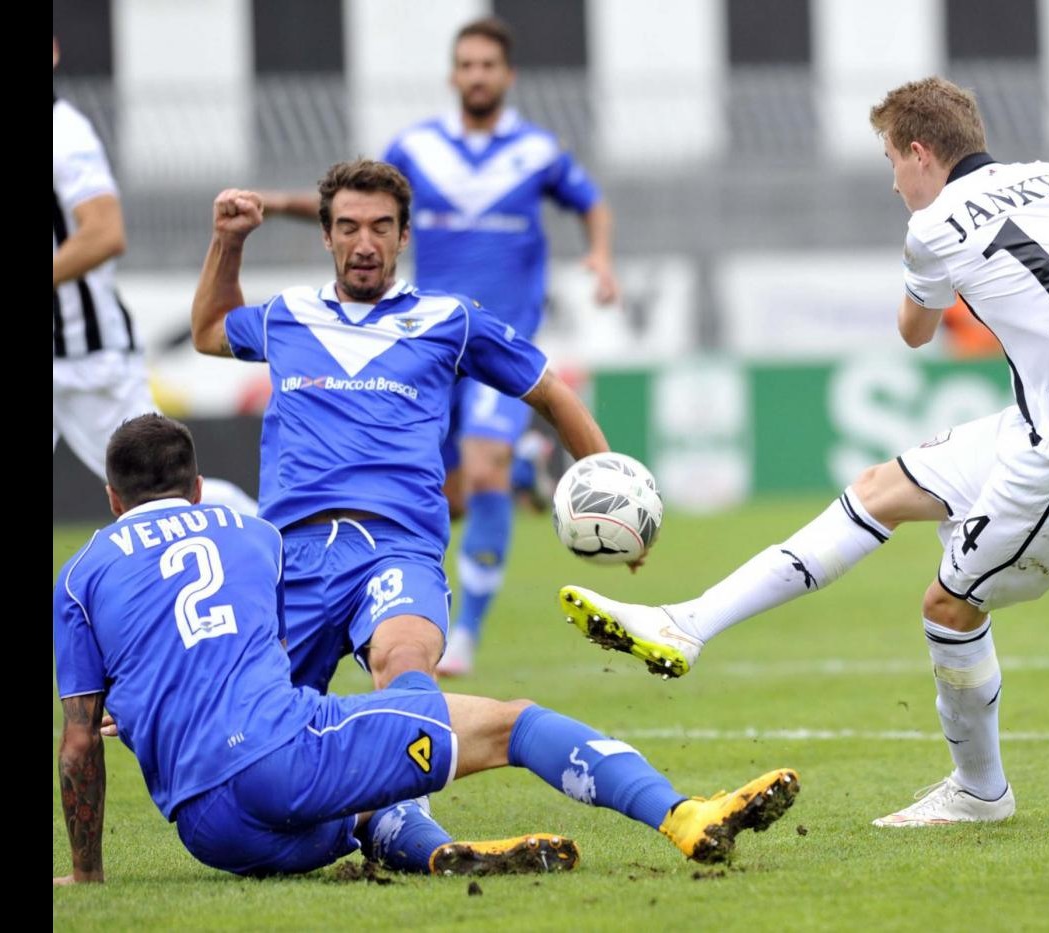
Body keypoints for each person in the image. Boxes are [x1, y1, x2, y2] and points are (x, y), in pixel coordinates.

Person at [556, 77, 1049, 827]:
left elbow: (914, 330)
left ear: (920, 151)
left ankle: (981, 793)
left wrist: (923, 269)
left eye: (890, 160)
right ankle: (687, 621)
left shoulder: (933, 227)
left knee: (950, 607)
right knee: (882, 487)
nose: (892, 179)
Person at [52, 414, 800, 884]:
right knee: (509, 722)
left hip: (209, 829)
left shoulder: (80, 573)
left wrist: (87, 872)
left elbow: (80, 742)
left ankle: (433, 852)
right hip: (280, 760)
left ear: (113, 499)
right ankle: (683, 815)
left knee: (357, 801)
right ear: (198, 489)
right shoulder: (250, 535)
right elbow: (262, 637)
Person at [191, 157, 622, 852]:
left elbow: (550, 390)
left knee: (405, 662)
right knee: (253, 738)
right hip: (291, 558)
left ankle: (418, 835)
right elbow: (210, 329)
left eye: (381, 227)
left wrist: (606, 483)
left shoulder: (447, 319)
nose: (365, 241)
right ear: (327, 236)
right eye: (349, 226)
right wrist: (229, 240)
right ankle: (372, 821)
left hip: (396, 548)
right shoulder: (287, 316)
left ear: (404, 237)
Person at [262, 16, 620, 676]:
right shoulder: (418, 148)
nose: (477, 75)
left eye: (489, 65)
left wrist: (599, 257)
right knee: (450, 493)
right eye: (467, 64)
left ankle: (467, 636)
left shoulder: (535, 151)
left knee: (480, 469)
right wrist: (267, 206)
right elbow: (353, 200)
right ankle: (523, 469)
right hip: (419, 342)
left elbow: (591, 202)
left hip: (491, 342)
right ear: (453, 75)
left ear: (506, 76)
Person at [52, 37, 259, 517]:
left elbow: (104, 233)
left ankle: (271, 534)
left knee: (165, 485)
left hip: (90, 356)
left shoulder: (66, 133)